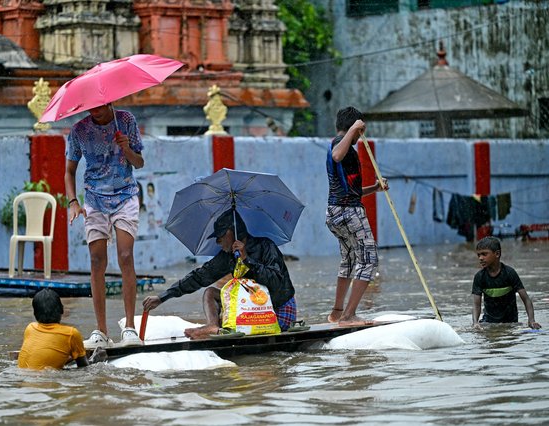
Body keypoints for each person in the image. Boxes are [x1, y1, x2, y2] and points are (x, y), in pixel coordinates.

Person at [142, 209, 297, 339]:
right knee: (210, 292)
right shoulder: (227, 257)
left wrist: (247, 260)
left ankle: (228, 327)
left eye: (219, 237)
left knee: (242, 325)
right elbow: (198, 277)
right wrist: (163, 297)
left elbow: (276, 282)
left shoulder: (266, 246)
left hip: (277, 309)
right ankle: (212, 326)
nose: (217, 242)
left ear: (230, 233)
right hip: (250, 309)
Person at [65, 103, 145, 348]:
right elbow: (69, 171)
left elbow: (139, 163)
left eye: (99, 107)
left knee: (125, 255)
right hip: (94, 199)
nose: (94, 111)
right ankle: (101, 331)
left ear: (109, 102)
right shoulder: (79, 130)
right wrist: (73, 202)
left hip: (125, 195)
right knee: (97, 261)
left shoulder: (126, 120)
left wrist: (127, 149)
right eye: (91, 108)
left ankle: (130, 328)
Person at [325, 106, 388, 325]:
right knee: (369, 258)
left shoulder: (346, 150)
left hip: (336, 211)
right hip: (348, 213)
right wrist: (353, 130)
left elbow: (351, 191)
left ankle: (337, 312)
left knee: (350, 259)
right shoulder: (339, 145)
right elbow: (336, 154)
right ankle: (349, 315)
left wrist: (374, 188)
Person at [18, 288, 106, 369]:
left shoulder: (30, 328)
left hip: (24, 377)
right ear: (62, 310)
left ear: (35, 314)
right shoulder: (71, 334)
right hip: (46, 380)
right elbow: (83, 368)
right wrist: (96, 359)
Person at [472, 236, 541, 329]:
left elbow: (526, 299)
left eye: (484, 254)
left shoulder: (509, 273)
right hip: (488, 322)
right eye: (479, 255)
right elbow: (476, 305)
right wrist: (475, 323)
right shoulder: (479, 277)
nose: (480, 258)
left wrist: (531, 320)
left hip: (511, 323)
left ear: (497, 254)